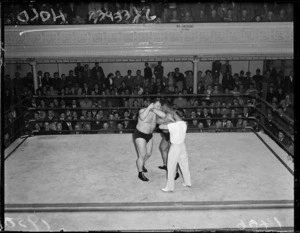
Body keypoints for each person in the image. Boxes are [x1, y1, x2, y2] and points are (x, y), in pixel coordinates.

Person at [133, 100, 167, 182]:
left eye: (160, 106)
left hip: (149, 135)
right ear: (152, 104)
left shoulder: (156, 113)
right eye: (157, 105)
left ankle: (141, 164)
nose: (159, 108)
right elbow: (142, 117)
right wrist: (149, 108)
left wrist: (154, 109)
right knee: (142, 155)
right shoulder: (143, 110)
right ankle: (140, 173)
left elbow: (164, 115)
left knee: (148, 154)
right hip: (140, 134)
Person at [159, 110, 191, 192]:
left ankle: (169, 187)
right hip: (182, 146)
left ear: (176, 116)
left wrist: (167, 120)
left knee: (171, 167)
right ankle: (188, 182)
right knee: (184, 164)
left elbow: (160, 127)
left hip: (175, 147)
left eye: (174, 114)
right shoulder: (184, 123)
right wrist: (172, 120)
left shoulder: (173, 125)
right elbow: (177, 124)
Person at [157, 102, 180, 180]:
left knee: (173, 154)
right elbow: (158, 122)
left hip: (172, 135)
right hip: (166, 135)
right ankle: (166, 165)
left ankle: (176, 172)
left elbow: (178, 123)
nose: (161, 108)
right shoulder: (163, 114)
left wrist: (168, 120)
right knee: (162, 148)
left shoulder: (172, 114)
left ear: (167, 107)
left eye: (163, 107)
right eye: (161, 107)